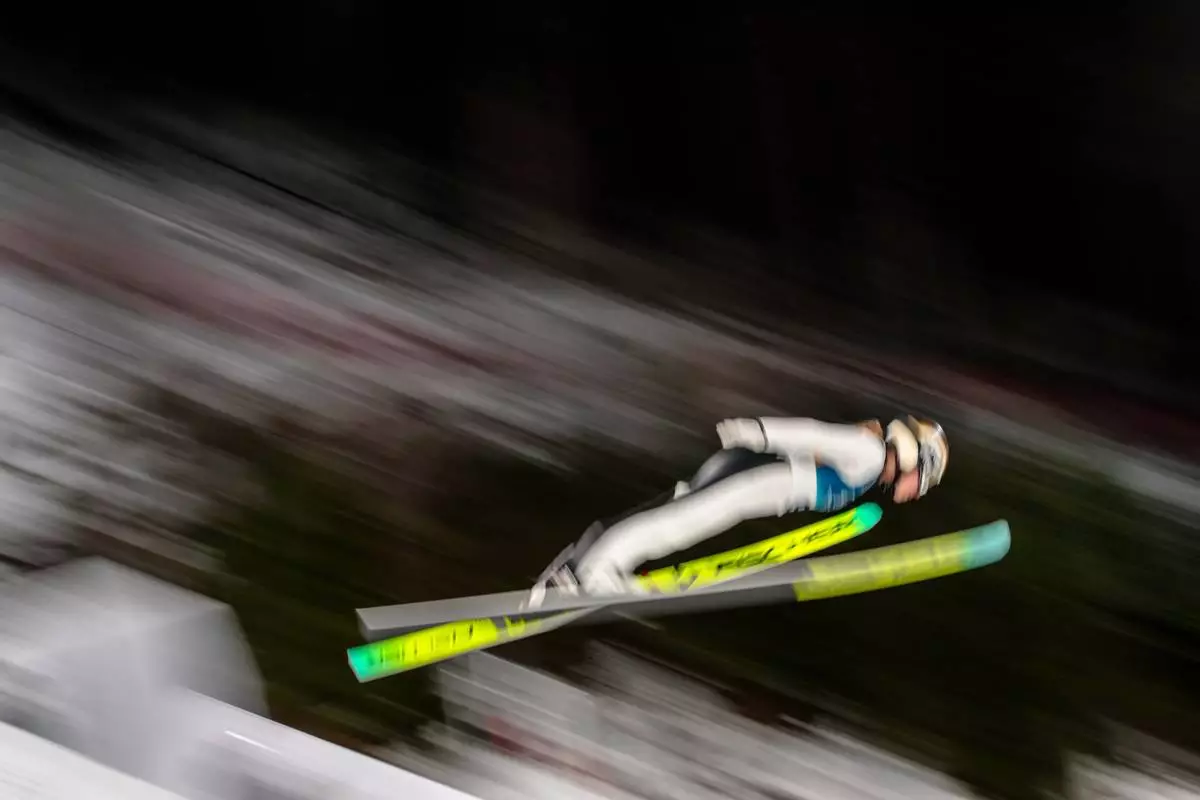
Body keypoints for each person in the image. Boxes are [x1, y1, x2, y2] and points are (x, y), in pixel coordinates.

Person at [524, 415, 949, 609]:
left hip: (749, 481)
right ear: (915, 457)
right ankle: (591, 574)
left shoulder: (871, 464)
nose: (919, 492)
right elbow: (813, 433)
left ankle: (565, 575)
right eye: (925, 480)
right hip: (751, 479)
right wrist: (759, 432)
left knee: (671, 513)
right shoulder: (869, 454)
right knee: (673, 525)